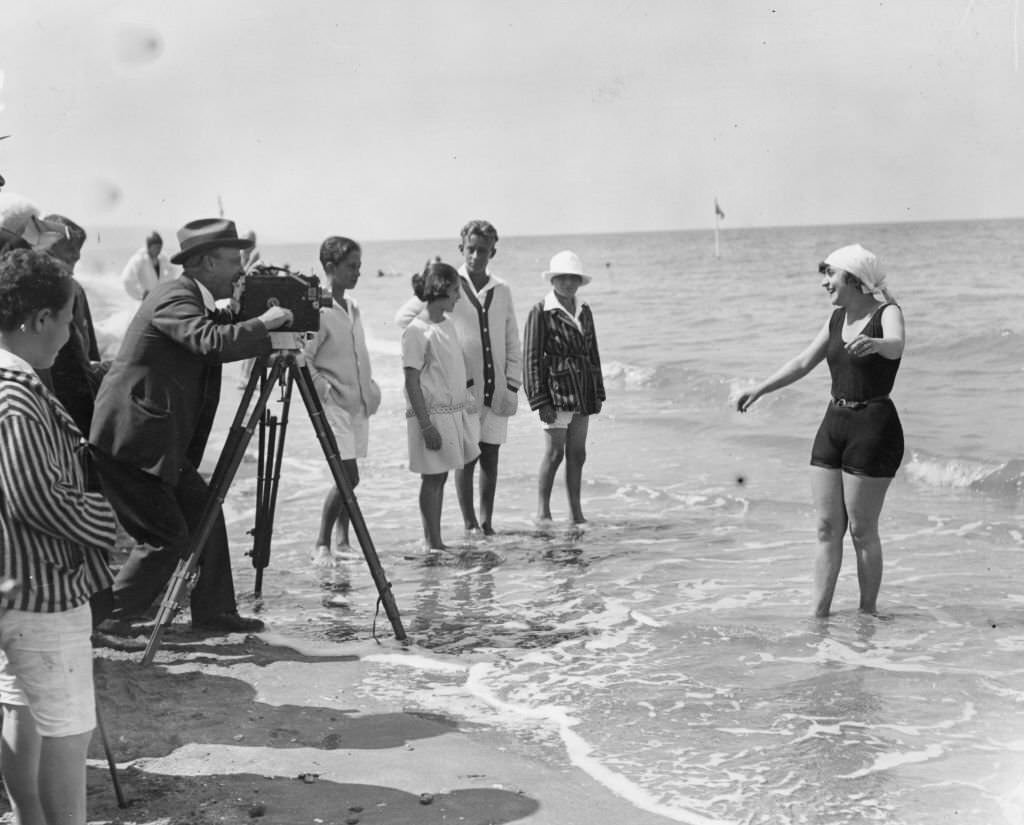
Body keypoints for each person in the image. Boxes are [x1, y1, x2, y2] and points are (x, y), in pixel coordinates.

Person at [89, 218, 294, 634]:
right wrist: (267, 322)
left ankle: (214, 613)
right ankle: (106, 621)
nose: (241, 269)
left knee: (206, 515)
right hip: (132, 442)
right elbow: (209, 342)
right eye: (234, 260)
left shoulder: (191, 299)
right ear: (204, 263)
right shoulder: (173, 295)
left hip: (157, 441)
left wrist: (246, 317)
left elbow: (215, 331)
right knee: (166, 539)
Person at [0, 248, 118, 825]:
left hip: (12, 586)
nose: (72, 334)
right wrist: (106, 525)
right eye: (68, 320)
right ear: (38, 320)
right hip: (43, 589)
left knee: (24, 710)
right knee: (68, 729)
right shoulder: (18, 395)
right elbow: (33, 495)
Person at [736, 244, 905, 618]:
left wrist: (875, 344)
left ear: (853, 278)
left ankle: (867, 615)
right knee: (828, 528)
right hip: (834, 424)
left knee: (862, 530)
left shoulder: (887, 312)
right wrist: (760, 388)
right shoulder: (835, 319)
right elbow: (801, 362)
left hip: (873, 428)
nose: (824, 283)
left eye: (830, 275)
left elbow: (895, 347)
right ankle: (818, 616)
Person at [395, 220, 521, 536]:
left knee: (491, 455)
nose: (477, 255)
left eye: (483, 250)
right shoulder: (448, 282)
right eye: (471, 249)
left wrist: (513, 383)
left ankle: (487, 522)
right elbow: (405, 317)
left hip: (497, 389)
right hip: (461, 391)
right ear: (460, 249)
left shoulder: (502, 289)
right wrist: (437, 346)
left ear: (493, 251)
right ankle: (469, 524)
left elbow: (511, 338)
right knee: (467, 456)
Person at [304, 237, 381, 566]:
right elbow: (303, 358)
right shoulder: (318, 310)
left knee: (349, 474)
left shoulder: (353, 308)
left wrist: (371, 389)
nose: (358, 273)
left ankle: (343, 540)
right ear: (330, 268)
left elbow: (358, 354)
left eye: (360, 267)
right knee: (347, 476)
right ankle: (321, 543)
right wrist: (324, 390)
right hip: (334, 405)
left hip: (358, 403)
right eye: (352, 267)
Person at [401, 261, 480, 551]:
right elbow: (412, 382)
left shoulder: (446, 325)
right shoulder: (416, 331)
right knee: (432, 479)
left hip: (451, 414)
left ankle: (435, 541)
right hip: (430, 416)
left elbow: (451, 368)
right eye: (456, 291)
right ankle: (432, 543)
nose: (459, 297)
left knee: (441, 477)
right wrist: (425, 425)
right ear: (442, 290)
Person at [523, 250, 605, 526]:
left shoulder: (584, 310)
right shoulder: (540, 311)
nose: (568, 283)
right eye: (562, 278)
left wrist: (598, 391)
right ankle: (542, 512)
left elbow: (593, 353)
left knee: (578, 453)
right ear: (552, 279)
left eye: (573, 278)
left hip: (583, 389)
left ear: (579, 281)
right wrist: (540, 401)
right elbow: (531, 358)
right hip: (556, 392)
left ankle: (575, 513)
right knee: (555, 452)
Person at [22, 214, 104, 434]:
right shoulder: (28, 293)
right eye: (69, 254)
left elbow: (88, 349)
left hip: (79, 396)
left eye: (77, 256)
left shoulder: (75, 290)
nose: (76, 258)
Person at [121, 230, 175, 301]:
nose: (158, 250)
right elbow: (127, 279)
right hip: (142, 301)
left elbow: (172, 271)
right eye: (156, 247)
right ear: (149, 247)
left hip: (158, 299)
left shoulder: (162, 258)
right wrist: (141, 294)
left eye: (160, 247)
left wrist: (164, 287)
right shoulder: (139, 259)